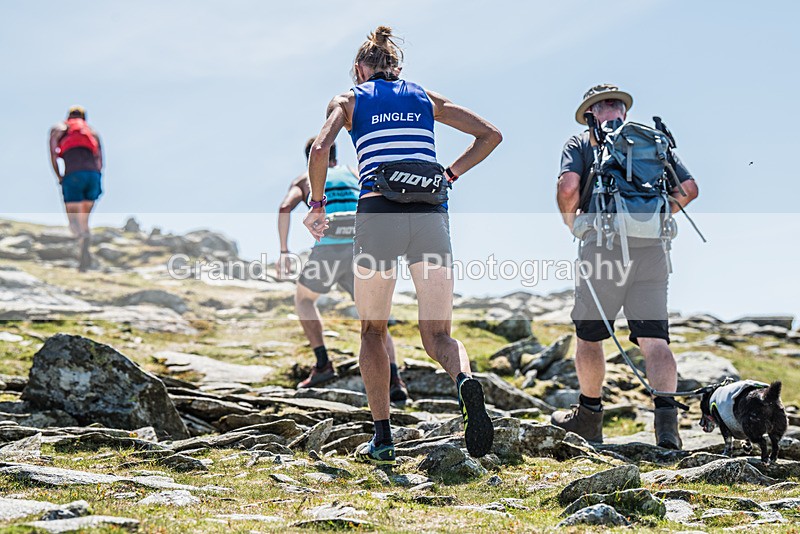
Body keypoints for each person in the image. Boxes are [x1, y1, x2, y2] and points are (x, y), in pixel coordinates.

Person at [304, 26, 502, 464]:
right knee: (438, 334)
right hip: (431, 215)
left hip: (378, 214)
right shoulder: (426, 98)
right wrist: (449, 175)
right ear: (398, 69)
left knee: (373, 330)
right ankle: (464, 381)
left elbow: (321, 150)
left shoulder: (349, 99)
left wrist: (317, 205)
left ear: (360, 69)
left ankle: (382, 438)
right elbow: (490, 135)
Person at [553, 84, 699, 449]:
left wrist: (574, 224)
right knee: (655, 339)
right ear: (623, 109)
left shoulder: (582, 144)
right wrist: (652, 219)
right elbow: (689, 188)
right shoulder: (652, 140)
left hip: (603, 250)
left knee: (590, 334)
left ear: (591, 113)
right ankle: (667, 427)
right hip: (653, 252)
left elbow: (569, 187)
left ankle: (589, 417)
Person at [278, 138, 408, 401]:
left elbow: (284, 208)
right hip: (362, 248)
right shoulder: (354, 173)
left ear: (311, 159)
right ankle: (394, 381)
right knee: (374, 317)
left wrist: (284, 250)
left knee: (304, 300)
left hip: (328, 249)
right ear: (336, 156)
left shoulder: (304, 179)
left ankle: (323, 364)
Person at [48, 106, 103, 271]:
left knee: (74, 220)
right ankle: (84, 248)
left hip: (74, 175)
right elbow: (100, 158)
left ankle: (81, 242)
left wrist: (59, 176)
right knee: (84, 219)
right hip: (93, 176)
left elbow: (52, 153)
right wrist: (97, 176)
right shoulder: (91, 132)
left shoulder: (60, 128)